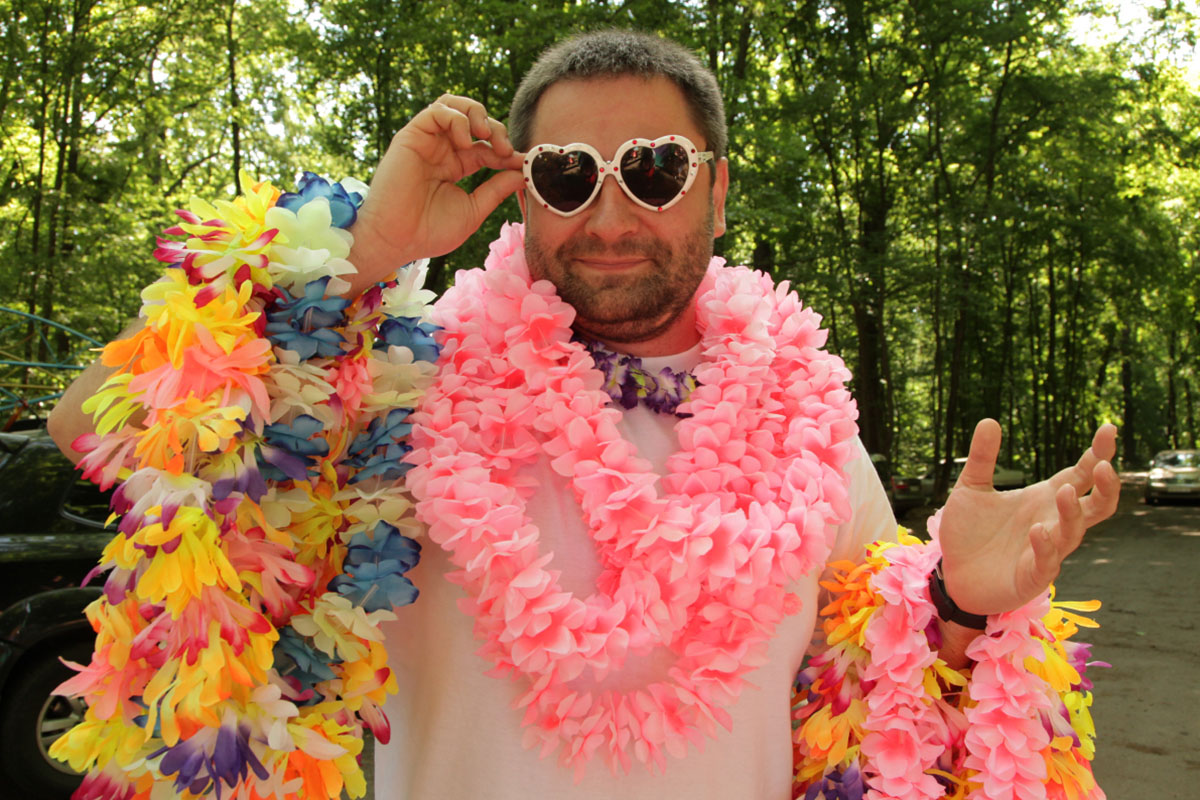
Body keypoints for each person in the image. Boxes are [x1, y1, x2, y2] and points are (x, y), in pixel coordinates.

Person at [48, 30, 1118, 800]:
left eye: (655, 169)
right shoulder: (407, 384)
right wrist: (362, 255)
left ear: (717, 188)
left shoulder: (813, 426)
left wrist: (960, 602)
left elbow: (875, 693)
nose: (611, 214)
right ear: (522, 193)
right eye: (567, 174)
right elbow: (93, 423)